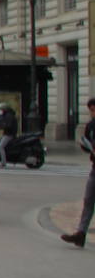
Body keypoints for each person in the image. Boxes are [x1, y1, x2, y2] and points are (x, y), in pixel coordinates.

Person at [60, 99, 95, 247]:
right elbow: (87, 141)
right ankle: (81, 234)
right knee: (88, 200)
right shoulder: (91, 125)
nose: (93, 113)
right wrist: (86, 146)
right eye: (91, 110)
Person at [0, 102, 18, 167]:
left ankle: (3, 163)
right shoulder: (7, 115)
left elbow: (7, 125)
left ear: (4, 109)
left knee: (0, 147)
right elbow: (1, 121)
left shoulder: (9, 116)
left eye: (0, 109)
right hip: (7, 134)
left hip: (9, 134)